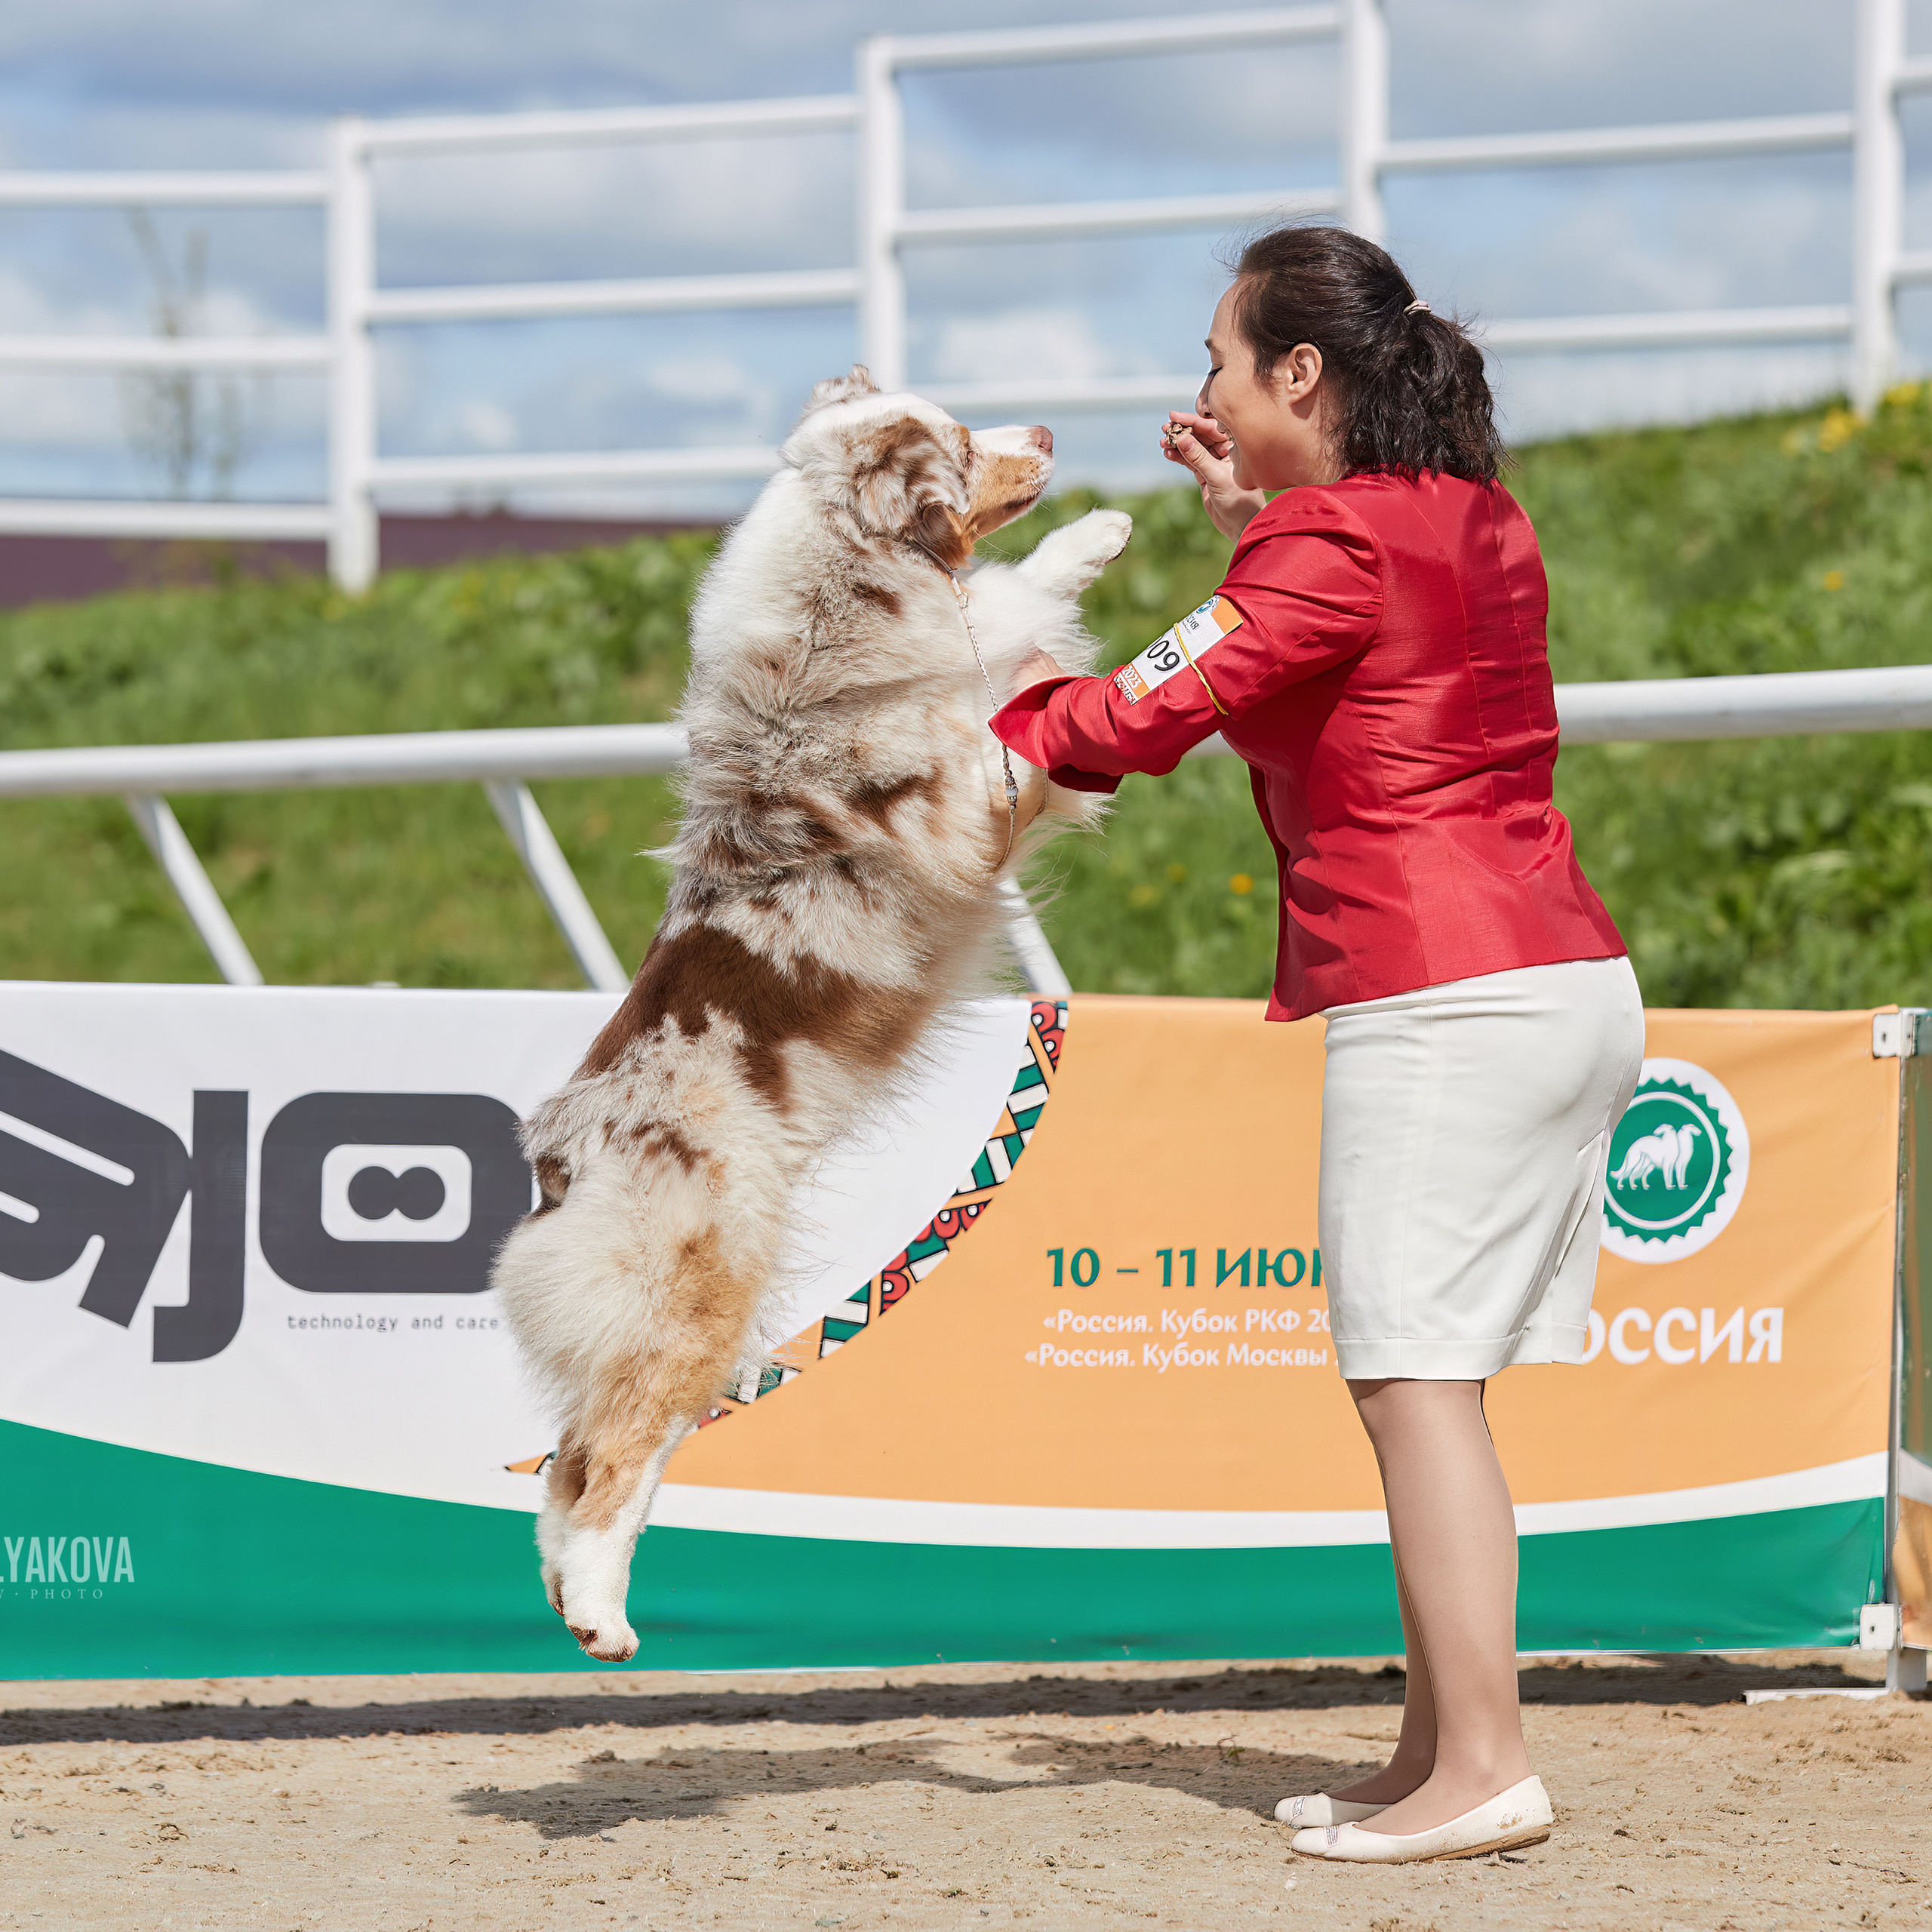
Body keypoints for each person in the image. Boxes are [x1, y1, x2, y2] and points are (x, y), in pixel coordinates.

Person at [989, 224, 1644, 1866]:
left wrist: (993, 705)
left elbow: (1139, 715)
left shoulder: (1325, 540)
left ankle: (1482, 1764)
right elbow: (1337, 633)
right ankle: (1436, 1750)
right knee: (1436, 1384)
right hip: (1557, 973)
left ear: (1298, 371)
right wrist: (1253, 525)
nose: (1202, 391)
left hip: (1445, 993)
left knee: (1412, 1384)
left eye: (1217, 360)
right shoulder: (1472, 513)